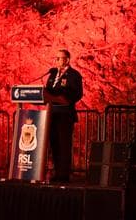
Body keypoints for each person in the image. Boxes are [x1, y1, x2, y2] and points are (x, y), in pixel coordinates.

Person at [42, 48, 83, 183]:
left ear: (67, 59)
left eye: (60, 58)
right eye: (56, 58)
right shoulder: (53, 74)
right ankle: (56, 171)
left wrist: (62, 97)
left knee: (64, 144)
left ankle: (63, 174)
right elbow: (48, 92)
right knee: (54, 144)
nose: (57, 60)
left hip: (65, 115)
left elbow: (77, 93)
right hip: (52, 114)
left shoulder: (74, 75)